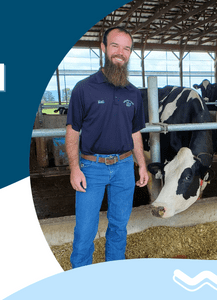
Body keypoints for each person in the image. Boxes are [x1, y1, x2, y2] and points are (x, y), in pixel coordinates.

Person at [65, 27, 149, 268]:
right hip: (91, 167)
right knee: (85, 230)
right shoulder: (84, 88)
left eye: (126, 48)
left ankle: (113, 275)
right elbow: (73, 131)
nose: (120, 53)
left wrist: (141, 165)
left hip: (123, 167)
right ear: (103, 48)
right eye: (115, 46)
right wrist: (74, 168)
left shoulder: (133, 93)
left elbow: (135, 132)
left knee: (119, 226)